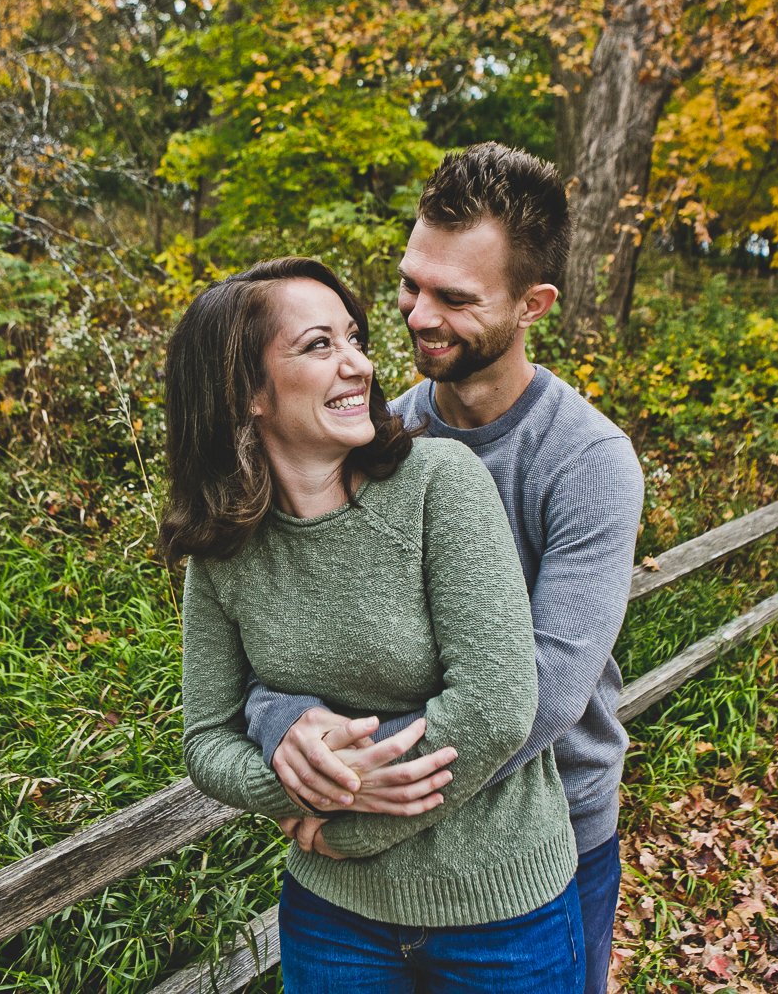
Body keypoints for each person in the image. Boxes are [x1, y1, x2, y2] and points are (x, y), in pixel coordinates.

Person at [243, 143, 645, 994]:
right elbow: (299, 623)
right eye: (409, 284)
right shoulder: (374, 438)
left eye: (455, 299)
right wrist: (282, 716)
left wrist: (348, 798)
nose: (418, 316)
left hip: (545, 836)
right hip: (375, 852)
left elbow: (537, 691)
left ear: (533, 304)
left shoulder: (586, 462)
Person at [162, 256, 584, 992]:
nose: (358, 363)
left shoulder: (438, 484)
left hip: (500, 913)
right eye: (319, 345)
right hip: (333, 920)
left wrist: (339, 825)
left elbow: (496, 705)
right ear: (246, 391)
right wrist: (292, 785)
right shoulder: (223, 547)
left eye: (353, 338)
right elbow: (206, 738)